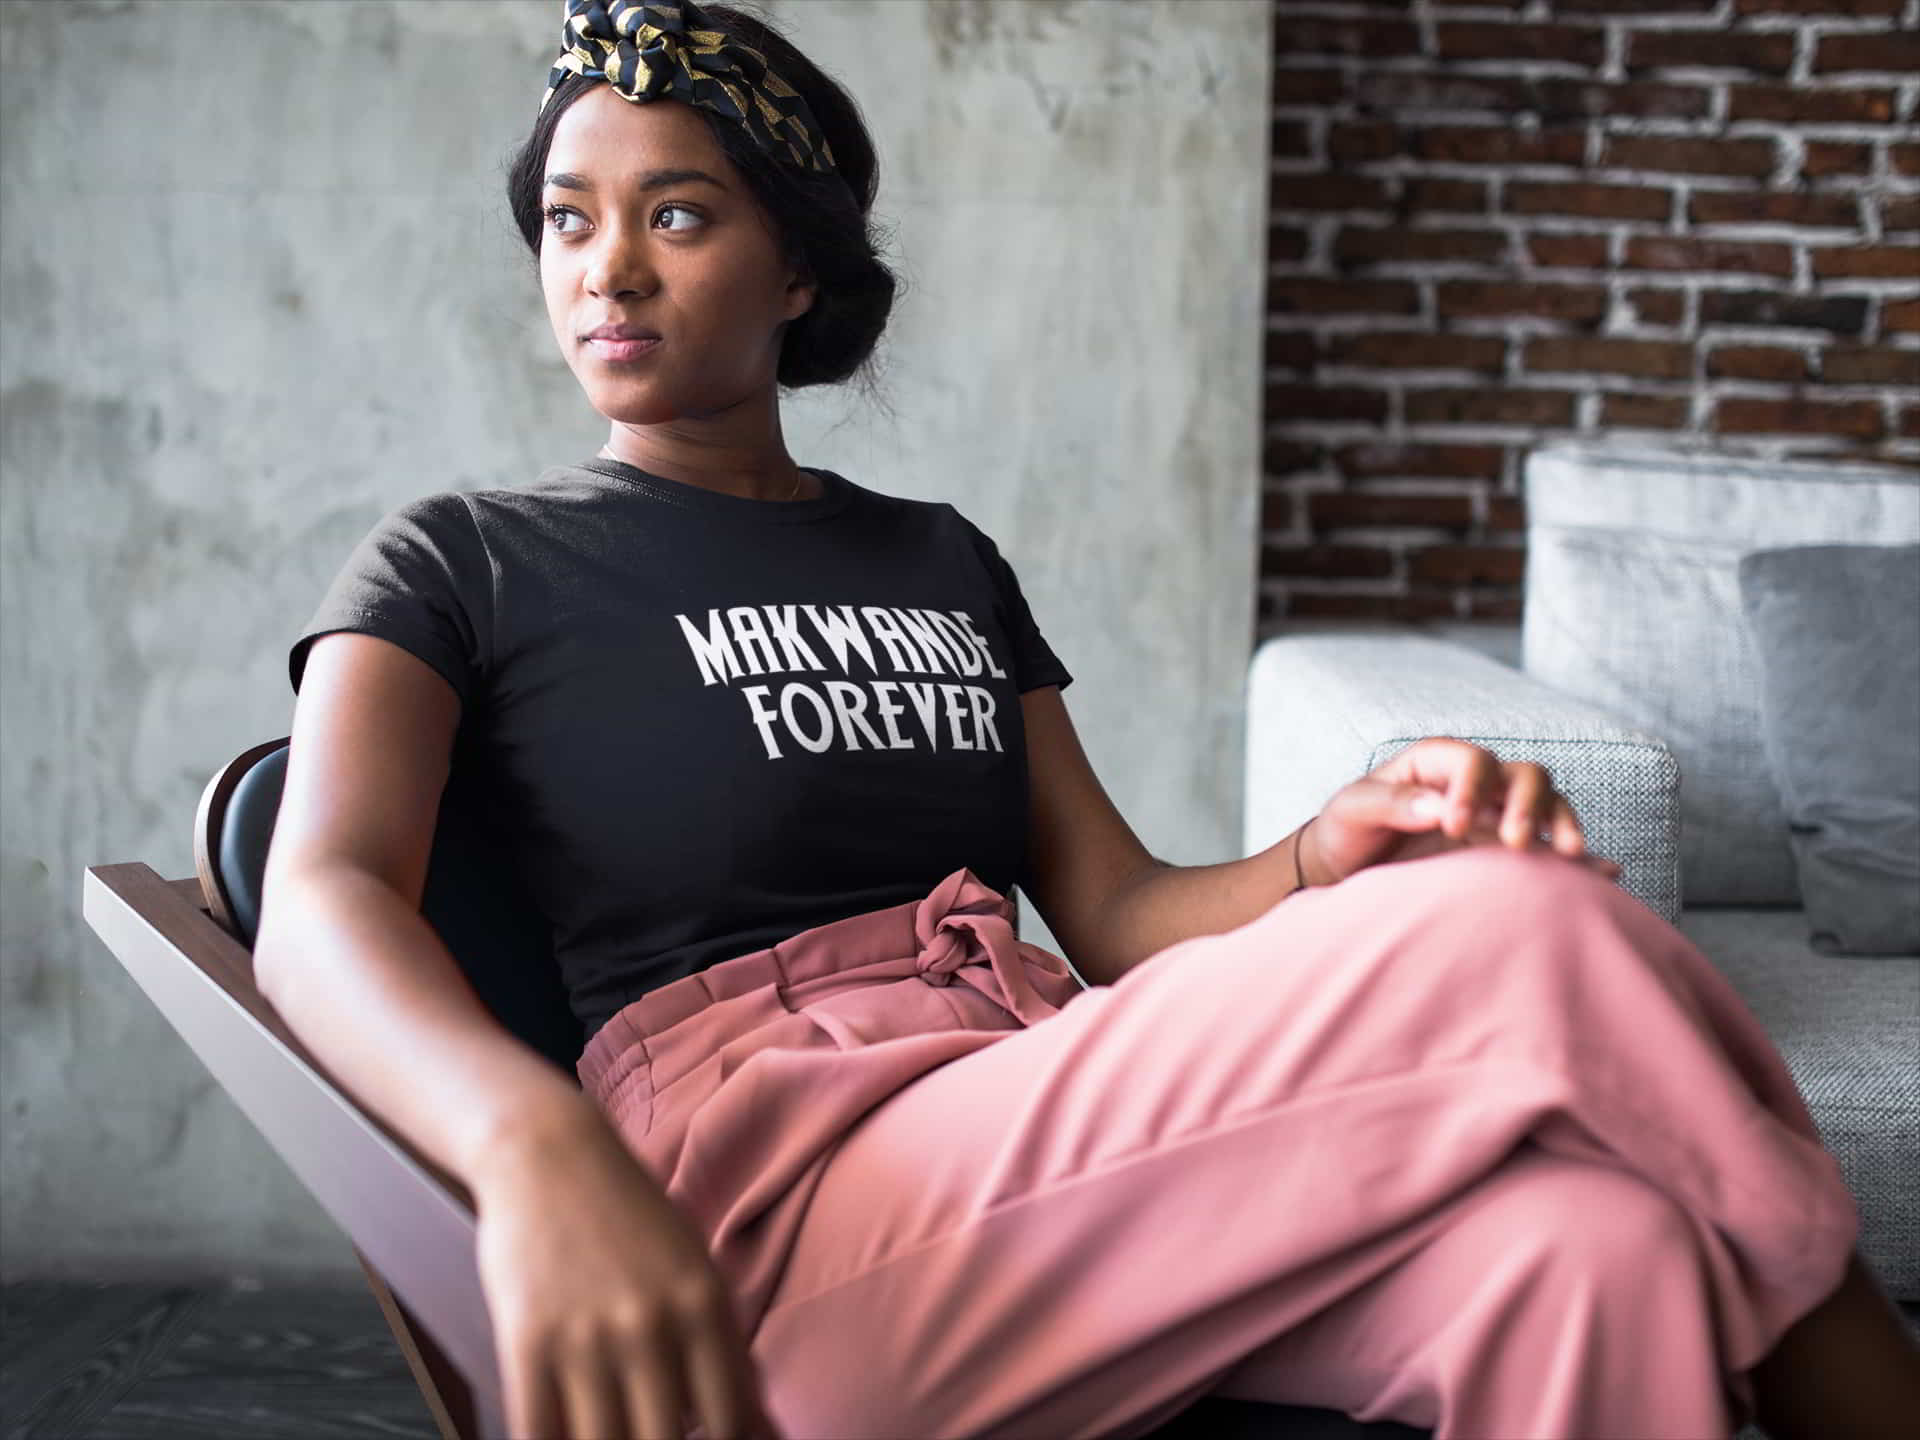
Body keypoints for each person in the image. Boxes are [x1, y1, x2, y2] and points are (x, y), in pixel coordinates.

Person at [255, 3, 1920, 1438]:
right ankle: (1856, 1367)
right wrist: (536, 1149)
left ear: (800, 270)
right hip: (776, 1230)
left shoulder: (936, 555)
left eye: (676, 215)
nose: (605, 265)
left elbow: (1116, 915)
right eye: (566, 219)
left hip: (1037, 1116)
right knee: (1526, 926)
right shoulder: (466, 557)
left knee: (1586, 1250)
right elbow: (316, 901)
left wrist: (1323, 855)